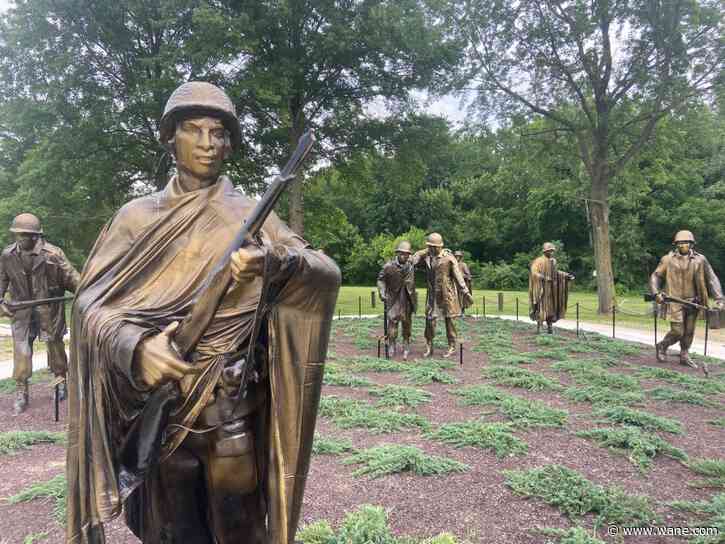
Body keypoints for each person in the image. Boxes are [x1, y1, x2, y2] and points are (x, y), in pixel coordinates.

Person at [66, 82, 340, 544]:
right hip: (163, 409)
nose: (208, 143)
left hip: (232, 406)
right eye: (193, 129)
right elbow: (89, 305)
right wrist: (135, 346)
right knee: (173, 532)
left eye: (218, 132)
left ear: (230, 143)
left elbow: (325, 273)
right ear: (170, 137)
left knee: (242, 530)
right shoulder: (135, 218)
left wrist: (274, 263)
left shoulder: (250, 214)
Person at [0, 213, 79, 414]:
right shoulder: (8, 255)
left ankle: (60, 381)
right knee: (22, 351)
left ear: (35, 236)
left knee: (55, 348)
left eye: (25, 235)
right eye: (18, 235)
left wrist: (87, 291)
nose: (21, 239)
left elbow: (73, 280)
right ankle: (21, 390)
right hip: (22, 312)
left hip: (48, 310)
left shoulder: (52, 254)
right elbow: (1, 282)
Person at [650, 230, 724, 368]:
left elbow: (712, 279)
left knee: (689, 332)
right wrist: (656, 293)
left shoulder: (700, 260)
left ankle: (684, 355)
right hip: (674, 301)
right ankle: (662, 345)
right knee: (678, 331)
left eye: (686, 242)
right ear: (676, 244)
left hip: (693, 302)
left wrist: (719, 298)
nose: (683, 245)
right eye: (680, 243)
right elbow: (656, 276)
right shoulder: (668, 259)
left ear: (691, 244)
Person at [412, 233, 472, 358]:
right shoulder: (427, 257)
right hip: (432, 296)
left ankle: (452, 346)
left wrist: (465, 292)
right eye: (430, 246)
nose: (432, 249)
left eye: (435, 247)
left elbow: (458, 276)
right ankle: (429, 345)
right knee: (430, 322)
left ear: (440, 246)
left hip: (447, 295)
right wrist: (424, 251)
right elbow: (414, 259)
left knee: (450, 321)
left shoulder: (449, 258)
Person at [377, 241, 416, 359]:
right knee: (392, 324)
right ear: (397, 253)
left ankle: (406, 345)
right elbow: (380, 279)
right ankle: (392, 345)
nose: (405, 256)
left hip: (407, 299)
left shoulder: (410, 266)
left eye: (407, 254)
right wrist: (382, 292)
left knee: (407, 325)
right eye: (402, 254)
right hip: (393, 299)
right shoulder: (388, 266)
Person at [528, 242, 574, 334]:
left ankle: (550, 327)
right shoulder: (538, 261)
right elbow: (534, 272)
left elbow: (556, 273)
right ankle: (539, 327)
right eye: (550, 251)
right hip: (542, 290)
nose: (551, 253)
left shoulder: (553, 261)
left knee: (551, 309)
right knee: (542, 308)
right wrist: (544, 278)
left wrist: (566, 276)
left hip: (552, 290)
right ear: (545, 251)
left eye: (552, 251)